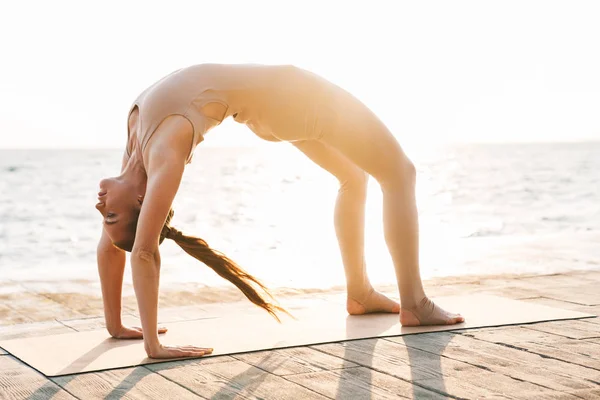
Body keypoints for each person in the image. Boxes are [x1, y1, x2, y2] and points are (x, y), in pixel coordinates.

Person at [95, 64, 464, 359]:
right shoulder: (162, 155)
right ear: (141, 202)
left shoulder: (135, 155)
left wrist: (116, 325)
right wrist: (153, 347)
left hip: (275, 110)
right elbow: (143, 250)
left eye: (104, 216)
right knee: (400, 173)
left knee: (353, 177)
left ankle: (360, 293)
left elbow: (112, 247)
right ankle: (415, 303)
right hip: (296, 100)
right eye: (110, 215)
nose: (100, 207)